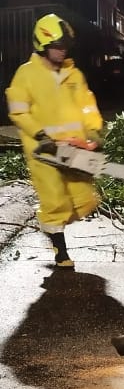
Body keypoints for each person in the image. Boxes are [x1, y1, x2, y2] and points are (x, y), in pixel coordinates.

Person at [5, 13, 104, 269]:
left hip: (74, 148)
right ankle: (60, 250)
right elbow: (18, 111)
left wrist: (93, 131)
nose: (62, 52)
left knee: (86, 200)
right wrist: (40, 134)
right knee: (55, 201)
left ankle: (51, 229)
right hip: (43, 150)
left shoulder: (74, 75)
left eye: (64, 47)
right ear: (42, 45)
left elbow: (87, 106)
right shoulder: (26, 75)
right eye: (57, 47)